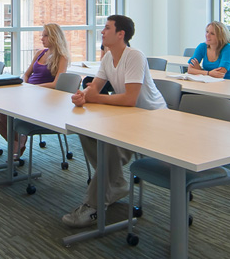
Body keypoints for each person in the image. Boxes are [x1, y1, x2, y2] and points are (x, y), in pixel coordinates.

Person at [64, 15, 166, 228]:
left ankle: (93, 204)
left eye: (107, 28)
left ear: (121, 34)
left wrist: (94, 97)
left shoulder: (134, 56)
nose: (102, 32)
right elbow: (95, 88)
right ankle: (116, 182)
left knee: (108, 141)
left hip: (154, 118)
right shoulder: (107, 58)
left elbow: (130, 99)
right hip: (129, 116)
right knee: (86, 130)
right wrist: (83, 95)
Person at [0, 24, 69, 158]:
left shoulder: (62, 57)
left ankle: (18, 143)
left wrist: (34, 88)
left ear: (54, 37)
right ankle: (15, 142)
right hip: (27, 92)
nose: (41, 38)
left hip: (43, 98)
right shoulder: (40, 53)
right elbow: (26, 74)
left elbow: (56, 84)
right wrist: (25, 84)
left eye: (45, 35)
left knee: (4, 111)